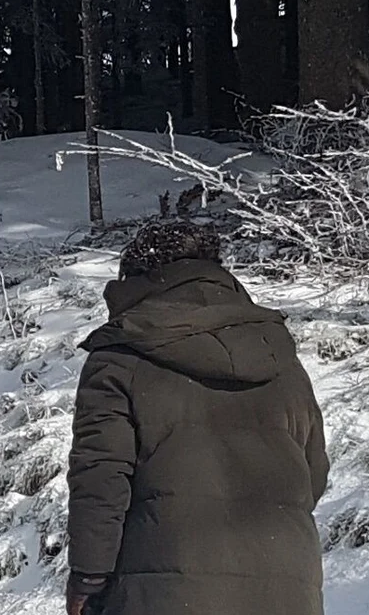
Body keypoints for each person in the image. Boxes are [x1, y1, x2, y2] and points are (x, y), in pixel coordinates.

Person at [64, 221, 330, 615]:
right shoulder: (281, 360)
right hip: (287, 591)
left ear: (136, 280)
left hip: (163, 593)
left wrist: (88, 577)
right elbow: (314, 475)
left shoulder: (121, 359)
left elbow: (101, 479)